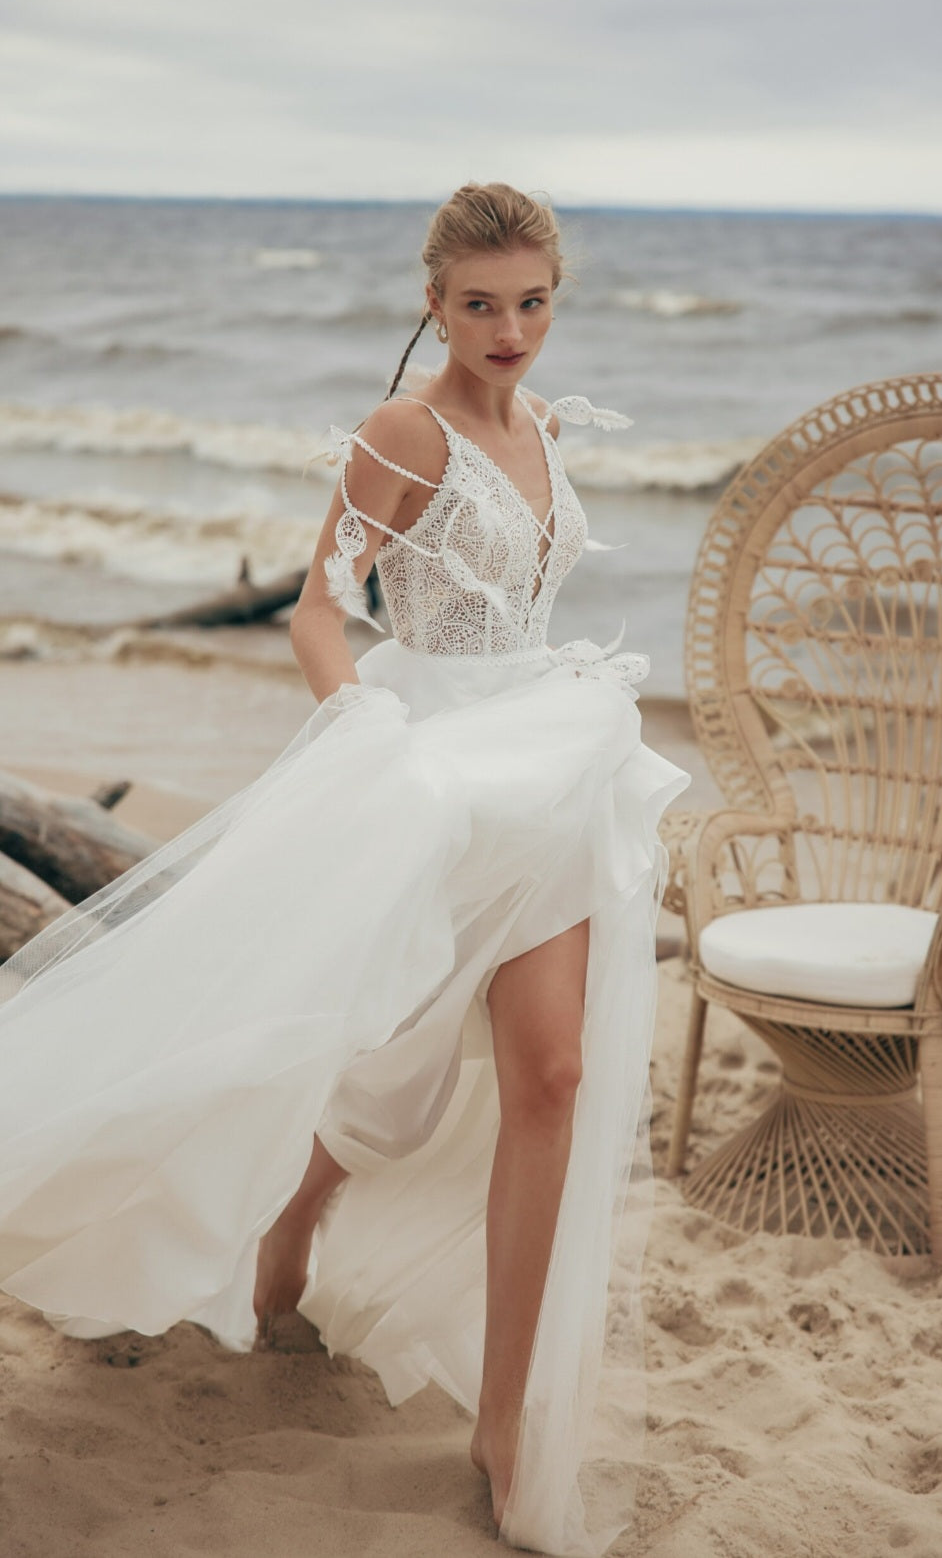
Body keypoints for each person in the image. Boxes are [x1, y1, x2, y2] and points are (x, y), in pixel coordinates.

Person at [0, 182, 690, 1556]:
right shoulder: (401, 431)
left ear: (558, 296)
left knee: (548, 1075)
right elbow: (323, 606)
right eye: (480, 303)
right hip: (428, 776)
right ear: (432, 303)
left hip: (544, 770)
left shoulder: (544, 427)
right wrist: (368, 726)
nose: (510, 330)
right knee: (389, 1066)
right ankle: (287, 1236)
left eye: (533, 301)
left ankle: (501, 1418)